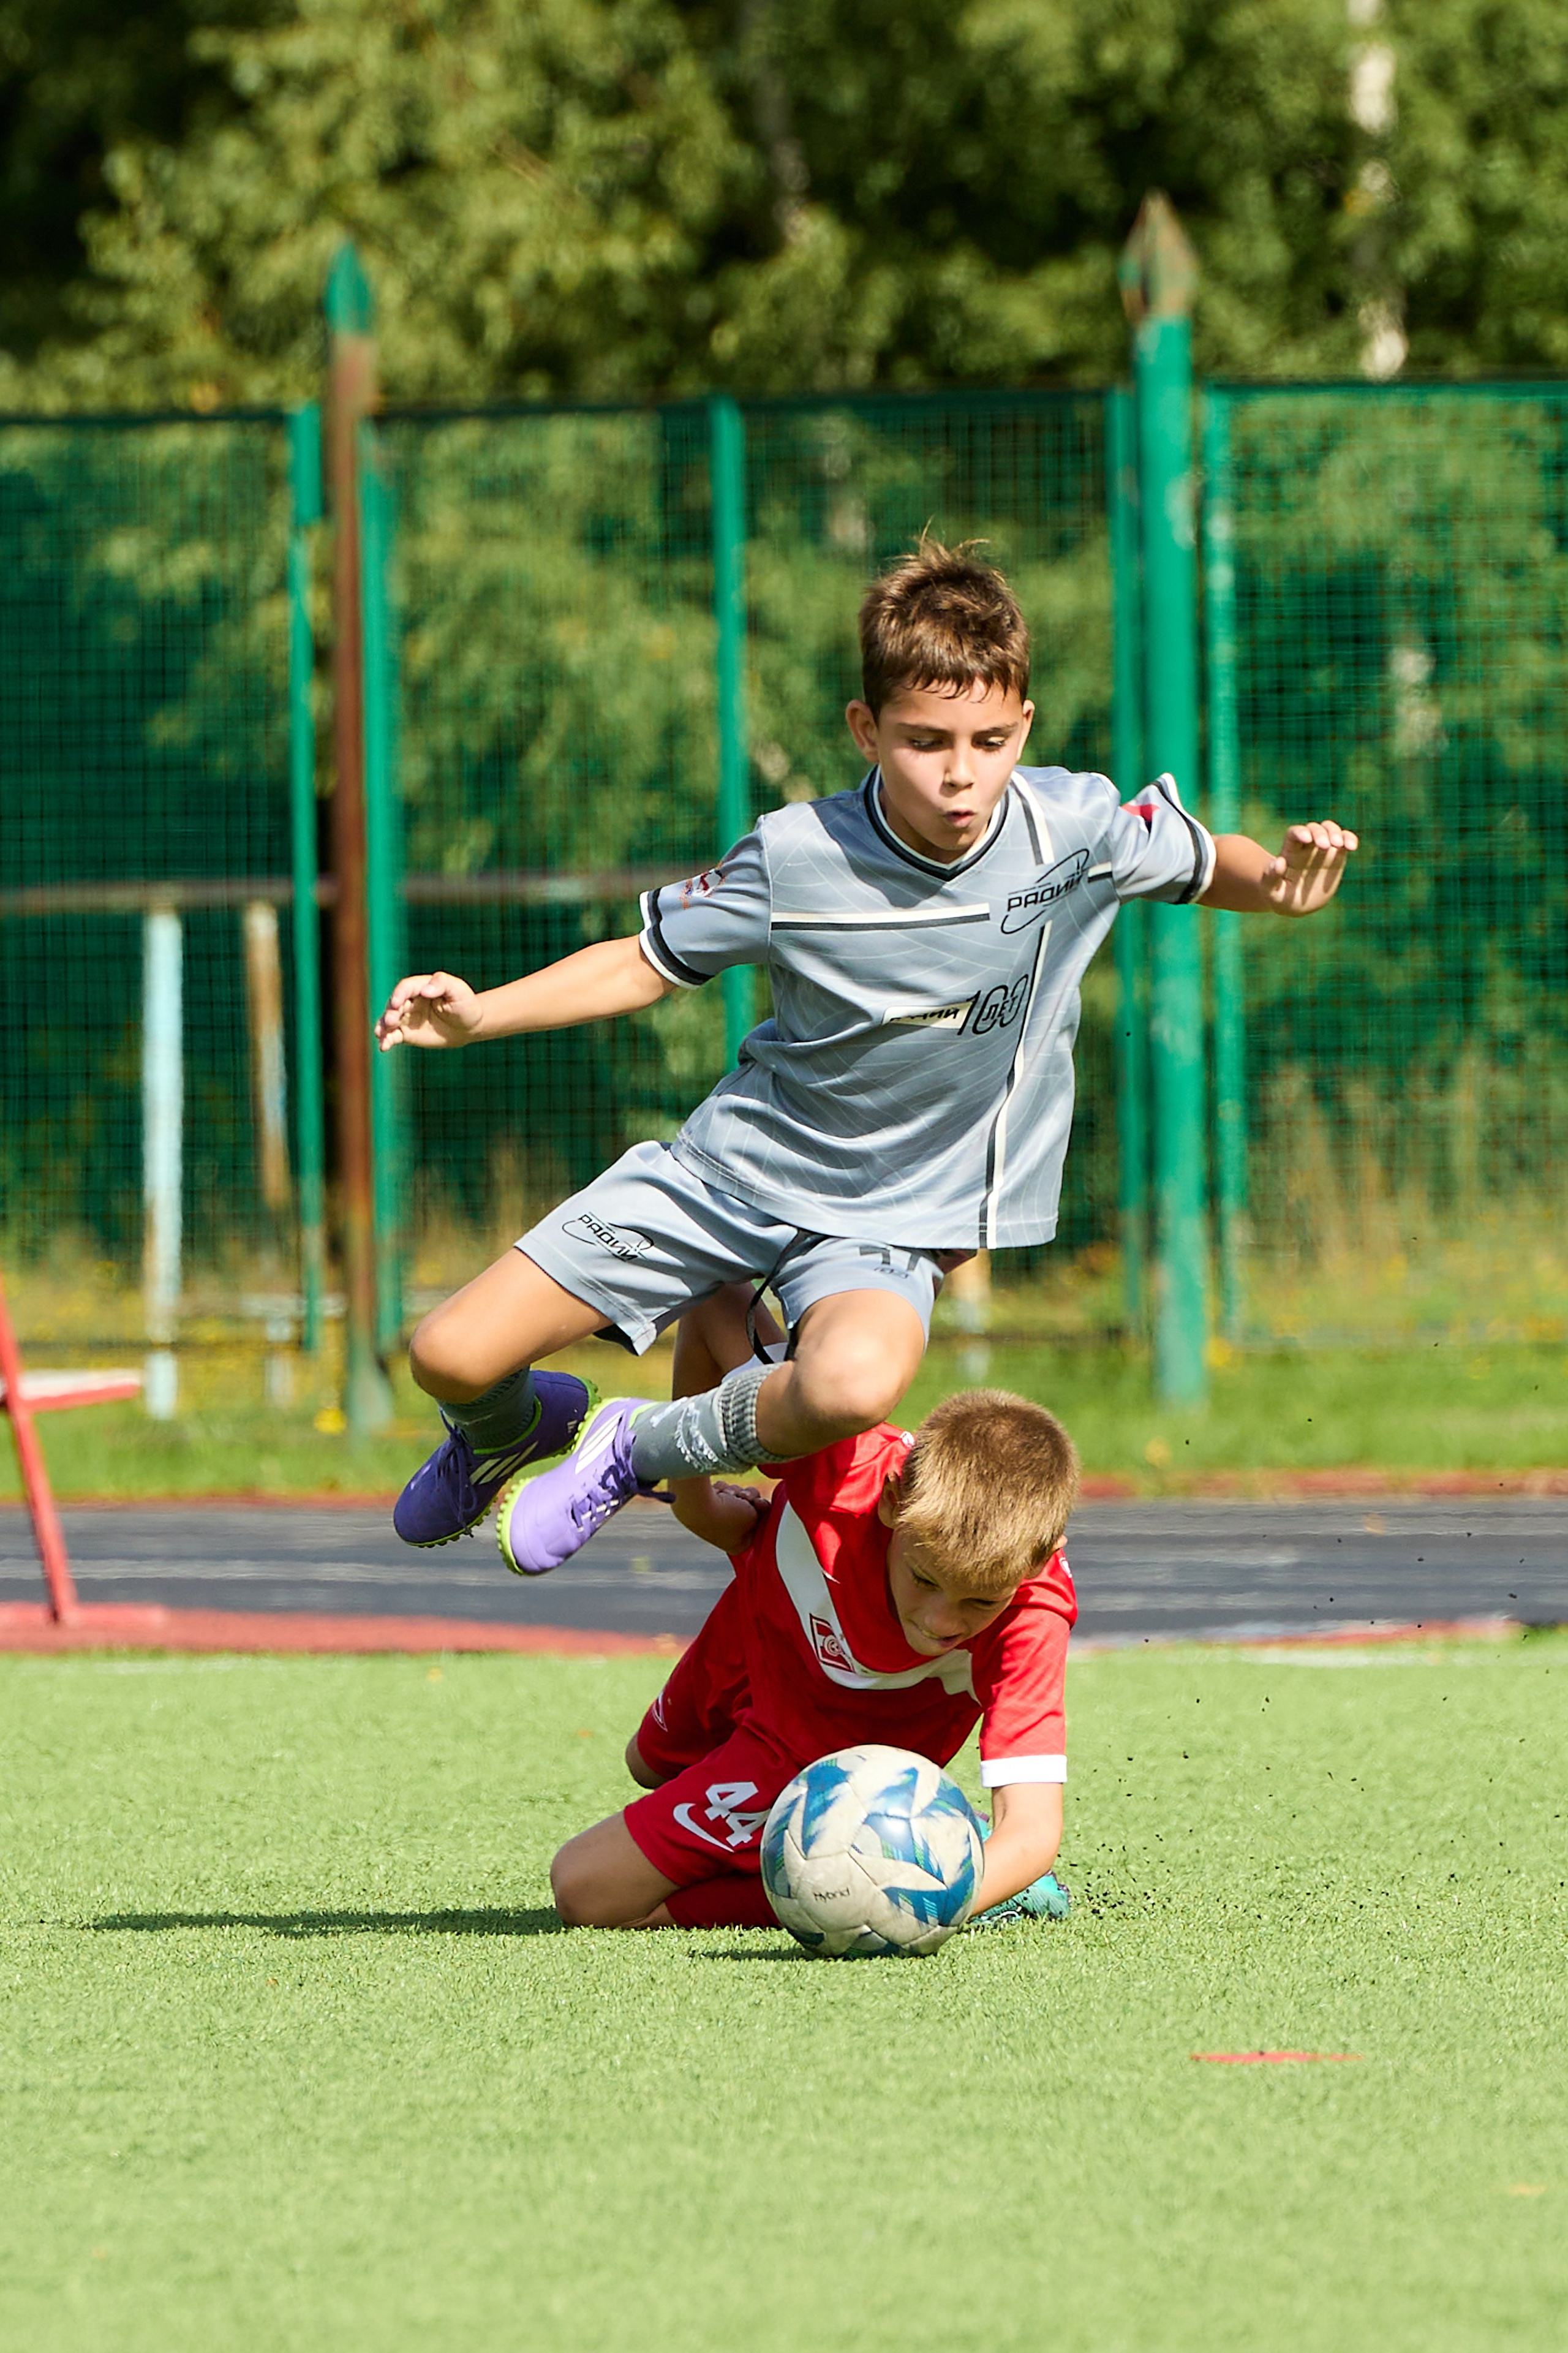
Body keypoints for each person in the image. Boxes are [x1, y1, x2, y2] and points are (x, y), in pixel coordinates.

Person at [375, 538, 1357, 1566]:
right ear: (867, 729)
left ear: (1024, 724)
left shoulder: (1076, 825)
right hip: (734, 1173)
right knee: (447, 1354)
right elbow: (642, 963)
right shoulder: (797, 857)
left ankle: (635, 1446)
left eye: (988, 740)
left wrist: (1278, 883)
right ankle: (510, 1433)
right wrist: (478, 1014)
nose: (961, 774)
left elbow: (1209, 861)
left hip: (896, 1213)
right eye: (927, 740)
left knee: (852, 1388)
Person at [549, 1285, 1080, 1932]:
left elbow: (1029, 1832)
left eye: (979, 1601)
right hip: (751, 1635)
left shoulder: (1034, 1610)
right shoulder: (841, 1457)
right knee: (648, 1763)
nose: (943, 1622)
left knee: (587, 1892)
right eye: (923, 1578)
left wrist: (929, 1901)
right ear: (890, 1501)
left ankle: (914, 1858)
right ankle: (924, 1838)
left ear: (1037, 1560)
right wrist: (698, 1508)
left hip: (816, 1744)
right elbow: (715, 1304)